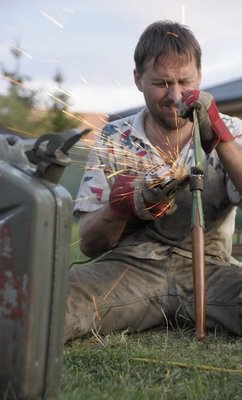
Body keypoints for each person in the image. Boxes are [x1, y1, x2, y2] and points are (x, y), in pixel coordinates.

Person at [64, 20, 242, 341]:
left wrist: (223, 139)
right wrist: (120, 208)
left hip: (211, 268)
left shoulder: (232, 129)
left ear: (200, 76)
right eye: (161, 83)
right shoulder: (114, 139)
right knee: (53, 303)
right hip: (130, 269)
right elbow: (89, 244)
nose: (174, 96)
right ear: (137, 79)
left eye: (184, 82)